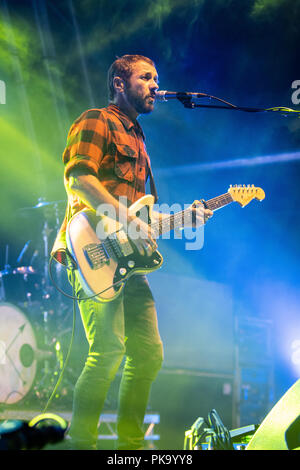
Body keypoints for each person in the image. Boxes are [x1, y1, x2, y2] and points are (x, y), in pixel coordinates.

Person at [51, 54, 213, 450]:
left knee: (149, 354)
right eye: (146, 77)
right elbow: (79, 177)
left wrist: (182, 219)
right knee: (107, 350)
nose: (156, 85)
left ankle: (130, 446)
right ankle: (81, 444)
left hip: (127, 261)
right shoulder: (96, 120)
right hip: (92, 248)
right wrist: (126, 220)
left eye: (157, 78)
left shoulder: (140, 138)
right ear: (120, 84)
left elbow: (144, 214)